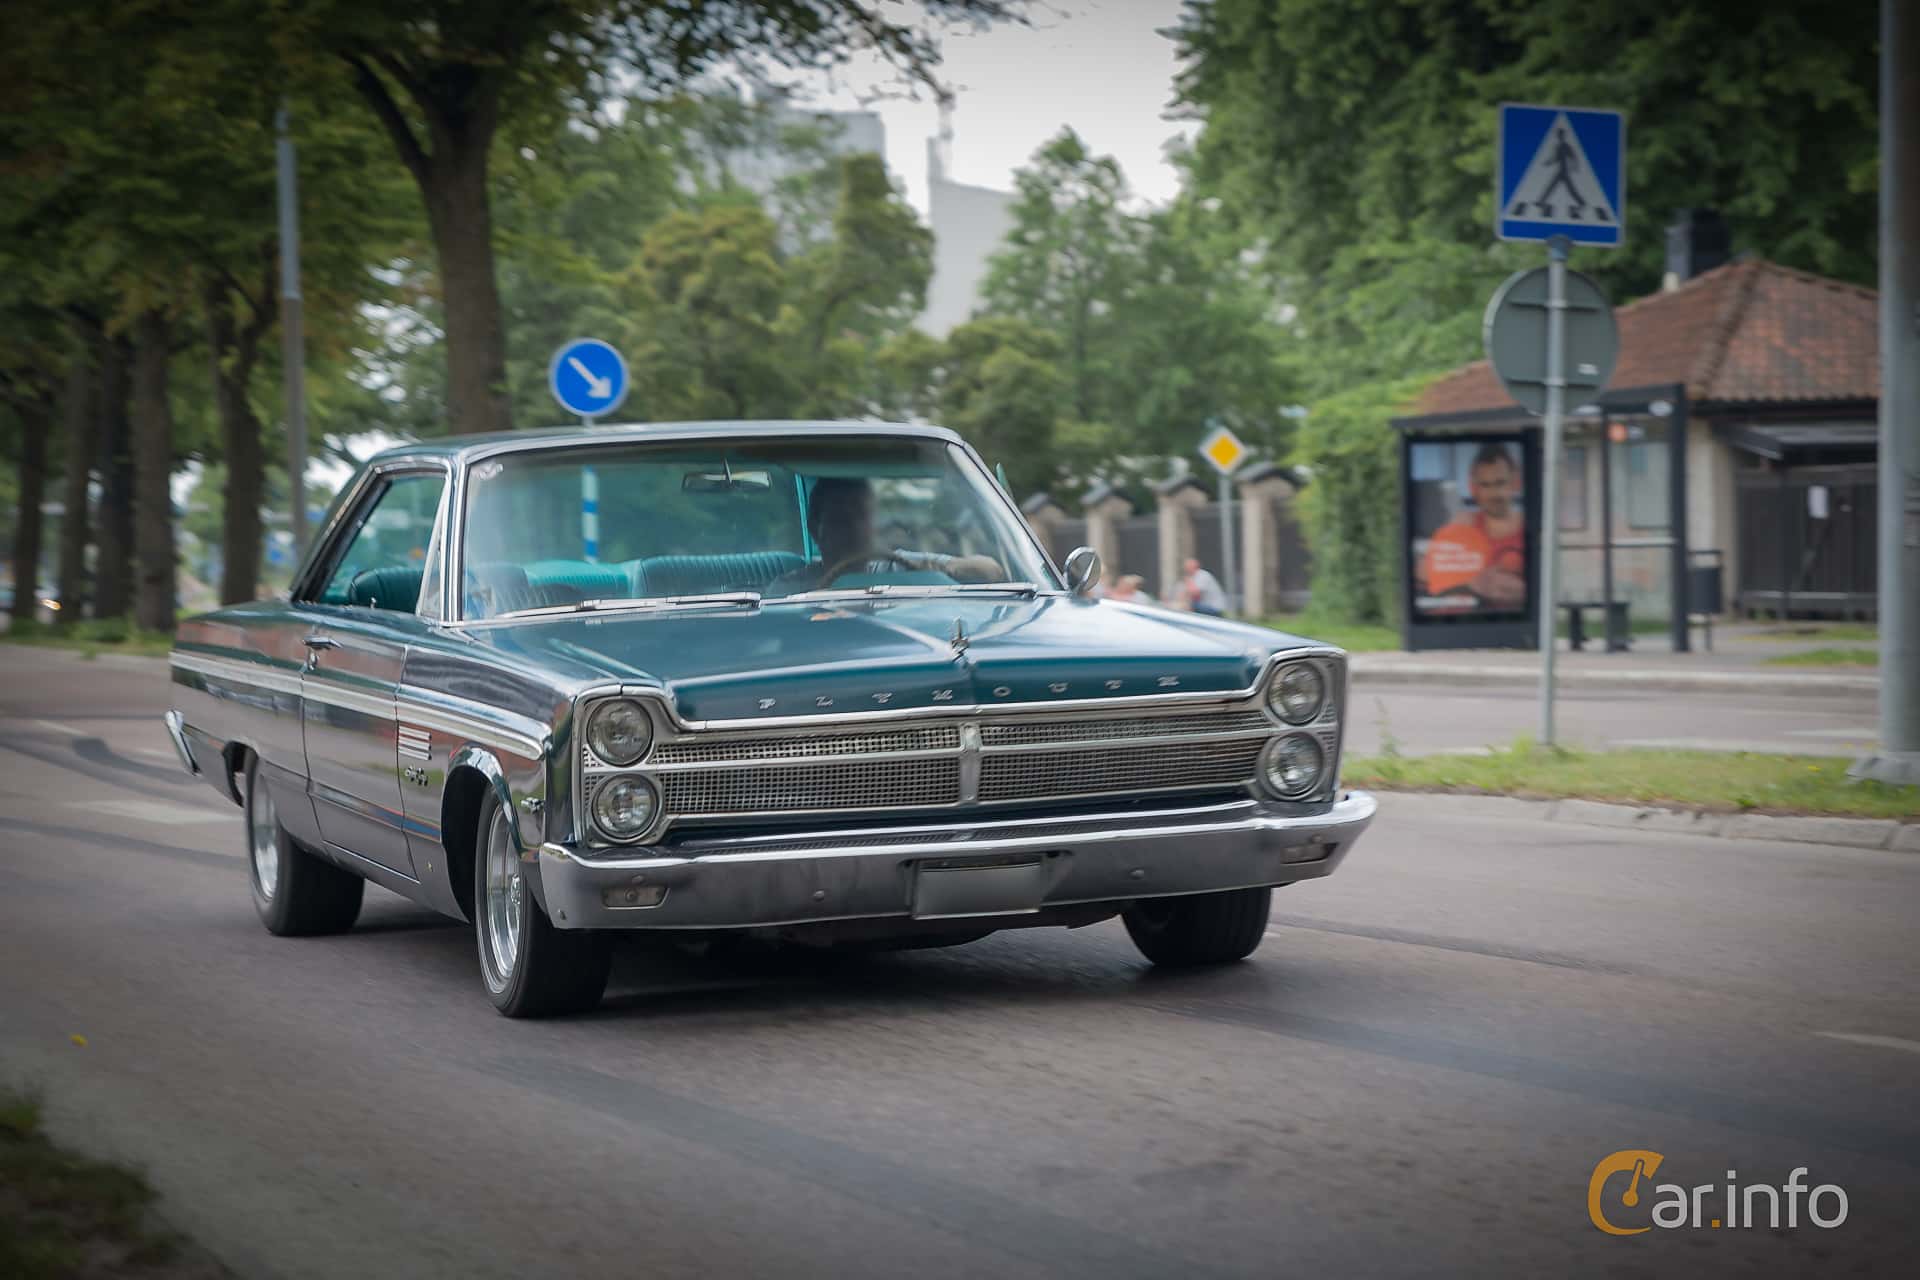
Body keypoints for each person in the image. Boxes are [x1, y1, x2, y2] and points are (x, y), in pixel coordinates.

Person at [765, 477, 1003, 595]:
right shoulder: (791, 588)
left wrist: (937, 571)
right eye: (841, 519)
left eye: (862, 516)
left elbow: (990, 571)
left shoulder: (900, 566)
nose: (854, 528)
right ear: (816, 530)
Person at [1419, 443, 1525, 609]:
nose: (1493, 494)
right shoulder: (1462, 527)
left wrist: (1523, 592)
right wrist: (1471, 583)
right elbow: (1423, 574)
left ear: (1515, 483)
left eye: (1500, 483)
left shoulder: (1530, 528)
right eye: (1485, 485)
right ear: (1474, 488)